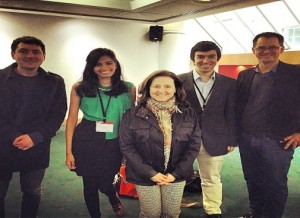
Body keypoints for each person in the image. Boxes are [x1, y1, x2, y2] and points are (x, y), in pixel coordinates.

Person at [0, 36, 67, 218]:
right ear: (13, 54)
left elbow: (58, 114)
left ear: (43, 56)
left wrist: (35, 137)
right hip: (2, 145)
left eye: (36, 51)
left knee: (32, 192)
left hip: (37, 146)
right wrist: (13, 136)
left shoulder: (55, 82)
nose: (30, 55)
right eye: (23, 51)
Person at [119, 70, 201, 218]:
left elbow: (194, 145)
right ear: (148, 88)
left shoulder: (188, 113)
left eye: (167, 86)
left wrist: (176, 174)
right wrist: (151, 173)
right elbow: (127, 146)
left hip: (176, 174)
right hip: (144, 175)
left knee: (172, 213)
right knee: (151, 214)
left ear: (176, 89)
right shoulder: (132, 114)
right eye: (156, 86)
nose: (162, 90)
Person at [65, 48, 136, 218]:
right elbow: (72, 120)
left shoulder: (128, 88)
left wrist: (129, 148)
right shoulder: (80, 88)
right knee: (89, 183)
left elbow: (131, 120)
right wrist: (68, 151)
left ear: (116, 64)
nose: (104, 67)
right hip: (86, 139)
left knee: (104, 182)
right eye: (98, 64)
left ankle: (113, 198)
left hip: (114, 141)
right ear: (91, 67)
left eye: (109, 63)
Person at [236, 32, 300, 218]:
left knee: (274, 185)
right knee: (253, 181)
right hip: (247, 139)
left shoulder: (296, 74)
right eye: (261, 47)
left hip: (278, 141)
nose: (267, 51)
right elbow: (239, 105)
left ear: (281, 49)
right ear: (254, 50)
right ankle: (256, 214)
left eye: (272, 47)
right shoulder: (245, 75)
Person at [178, 41, 237, 218]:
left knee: (211, 177)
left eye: (211, 56)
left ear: (217, 58)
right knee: (176, 175)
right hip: (183, 138)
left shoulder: (229, 84)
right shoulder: (178, 80)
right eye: (200, 57)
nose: (206, 60)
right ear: (193, 59)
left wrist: (232, 139)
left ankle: (212, 210)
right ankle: (171, 208)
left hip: (215, 137)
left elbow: (231, 112)